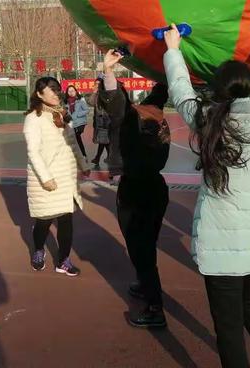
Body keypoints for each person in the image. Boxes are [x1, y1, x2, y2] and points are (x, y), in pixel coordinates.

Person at [163, 14, 250, 368]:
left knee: (229, 327)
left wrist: (174, 50)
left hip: (222, 241)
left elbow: (181, 92)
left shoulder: (207, 119)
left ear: (216, 91)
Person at [98, 53, 171, 328]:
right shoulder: (156, 114)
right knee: (146, 244)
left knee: (140, 250)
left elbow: (117, 103)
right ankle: (144, 284)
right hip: (156, 189)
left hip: (136, 191)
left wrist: (108, 71)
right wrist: (170, 60)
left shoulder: (131, 120)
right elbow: (161, 91)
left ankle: (155, 309)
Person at [24, 77, 90, 276]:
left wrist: (83, 164)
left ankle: (63, 260)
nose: (55, 93)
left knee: (66, 220)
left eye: (56, 89)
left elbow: (73, 143)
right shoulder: (33, 119)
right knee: (43, 221)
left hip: (66, 178)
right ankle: (38, 250)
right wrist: (46, 178)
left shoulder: (62, 115)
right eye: (50, 90)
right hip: (46, 179)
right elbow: (33, 152)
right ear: (39, 94)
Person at [87, 77, 110, 167]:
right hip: (99, 121)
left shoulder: (107, 94)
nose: (97, 85)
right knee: (104, 140)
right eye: (95, 83)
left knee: (104, 140)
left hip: (106, 121)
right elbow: (91, 102)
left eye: (98, 84)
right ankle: (103, 157)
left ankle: (99, 158)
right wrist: (94, 92)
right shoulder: (96, 94)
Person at [64, 85, 89, 158]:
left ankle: (82, 155)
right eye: (69, 91)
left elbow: (87, 110)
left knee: (76, 136)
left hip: (80, 122)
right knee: (76, 138)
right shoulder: (66, 102)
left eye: (72, 91)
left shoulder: (81, 100)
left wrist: (78, 114)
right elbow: (66, 112)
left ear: (76, 91)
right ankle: (82, 155)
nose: (71, 92)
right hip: (72, 123)